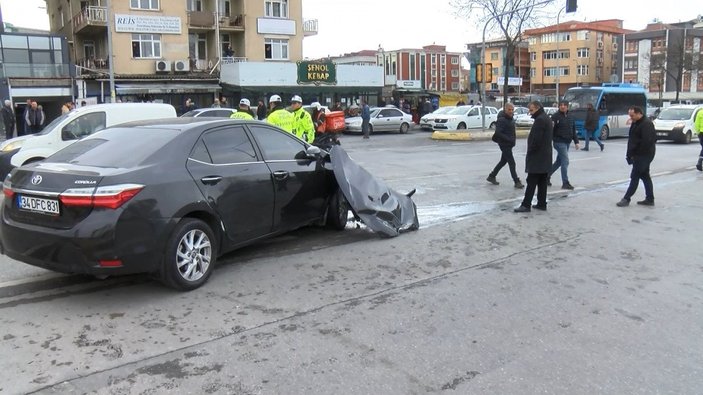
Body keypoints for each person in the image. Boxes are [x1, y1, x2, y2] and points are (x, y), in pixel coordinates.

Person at [515, 101, 553, 213]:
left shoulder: (540, 120)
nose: (530, 113)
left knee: (531, 181)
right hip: (545, 155)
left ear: (537, 108)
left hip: (538, 156)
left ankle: (526, 205)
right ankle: (541, 203)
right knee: (542, 181)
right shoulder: (546, 118)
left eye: (531, 110)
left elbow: (536, 140)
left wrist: (530, 151)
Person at [617, 106, 656, 207]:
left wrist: (637, 155)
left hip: (644, 155)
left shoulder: (647, 124)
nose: (631, 118)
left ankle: (626, 198)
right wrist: (629, 154)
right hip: (638, 155)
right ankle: (650, 199)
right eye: (630, 115)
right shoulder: (635, 123)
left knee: (635, 176)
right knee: (645, 176)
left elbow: (647, 142)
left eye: (632, 115)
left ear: (639, 113)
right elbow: (632, 140)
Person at [487, 103, 523, 188]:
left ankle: (492, 176)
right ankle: (516, 181)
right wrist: (508, 139)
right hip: (504, 144)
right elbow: (498, 132)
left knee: (503, 161)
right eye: (509, 110)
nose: (511, 111)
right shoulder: (502, 120)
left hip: (509, 144)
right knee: (512, 163)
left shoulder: (510, 119)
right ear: (505, 110)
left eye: (512, 110)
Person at [548, 100, 579, 190]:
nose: (562, 107)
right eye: (561, 105)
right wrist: (549, 142)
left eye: (564, 105)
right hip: (559, 142)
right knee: (565, 161)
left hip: (567, 141)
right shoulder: (555, 117)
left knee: (559, 162)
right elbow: (551, 130)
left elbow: (573, 130)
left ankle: (546, 176)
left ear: (567, 107)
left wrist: (576, 142)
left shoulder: (571, 117)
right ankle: (565, 182)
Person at [695, 106, 703, 171]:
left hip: (701, 133)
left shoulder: (700, 112)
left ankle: (699, 162)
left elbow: (696, 123)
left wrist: (698, 132)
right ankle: (699, 162)